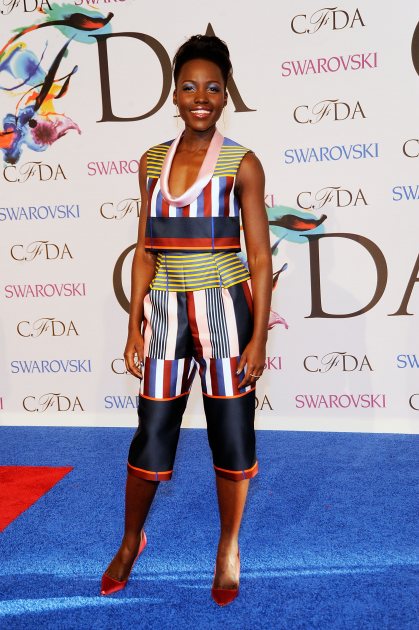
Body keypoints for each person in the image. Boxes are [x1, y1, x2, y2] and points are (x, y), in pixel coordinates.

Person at [101, 34, 272, 606]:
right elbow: (146, 249)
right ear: (174, 93)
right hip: (167, 314)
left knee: (231, 438)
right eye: (190, 87)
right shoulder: (152, 161)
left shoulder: (242, 163)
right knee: (151, 437)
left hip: (227, 312)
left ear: (226, 95)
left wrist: (258, 341)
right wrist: (134, 327)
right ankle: (130, 541)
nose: (201, 97)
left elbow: (260, 259)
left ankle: (228, 547)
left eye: (213, 88)